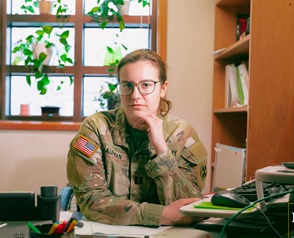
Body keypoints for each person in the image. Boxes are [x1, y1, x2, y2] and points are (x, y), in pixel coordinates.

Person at [66, 49, 208, 227]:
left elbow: (188, 208)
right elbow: (91, 200)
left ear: (163, 89)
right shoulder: (96, 128)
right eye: (127, 85)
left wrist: (162, 151)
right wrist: (159, 214)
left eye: (146, 85)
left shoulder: (183, 135)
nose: (135, 95)